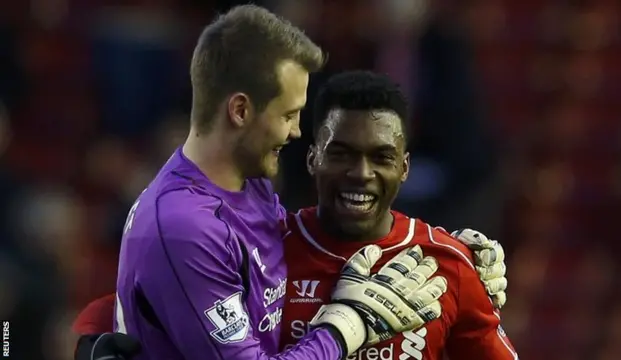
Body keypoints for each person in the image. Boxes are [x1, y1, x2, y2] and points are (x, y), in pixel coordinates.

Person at [74, 71, 513, 360]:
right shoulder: (264, 246)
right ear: (312, 160)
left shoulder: (445, 263)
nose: (360, 174)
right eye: (340, 154)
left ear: (404, 167)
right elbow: (158, 303)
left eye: (381, 157)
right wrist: (100, 342)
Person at [103, 5, 452, 360]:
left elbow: (304, 251)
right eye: (288, 114)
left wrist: (448, 255)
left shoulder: (248, 184)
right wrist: (347, 326)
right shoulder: (185, 227)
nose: (297, 130)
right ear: (240, 111)